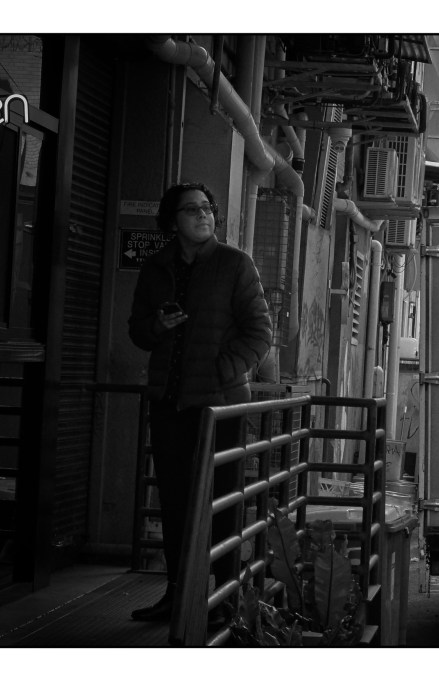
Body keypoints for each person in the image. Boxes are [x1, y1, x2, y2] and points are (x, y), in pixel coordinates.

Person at [127, 182, 272, 621]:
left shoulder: (234, 264)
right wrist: (158, 325)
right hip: (170, 403)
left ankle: (224, 600)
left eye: (207, 208)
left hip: (220, 404)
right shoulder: (156, 267)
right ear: (172, 221)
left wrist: (224, 371)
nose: (203, 215)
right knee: (175, 503)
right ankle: (177, 594)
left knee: (224, 501)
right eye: (191, 210)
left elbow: (260, 333)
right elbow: (137, 331)